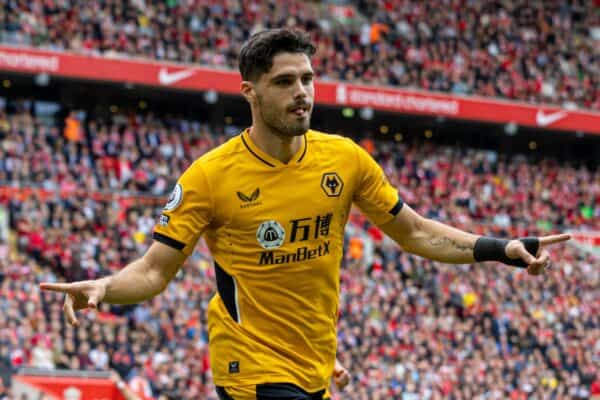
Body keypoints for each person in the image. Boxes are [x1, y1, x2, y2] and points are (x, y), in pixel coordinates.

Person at [40, 28, 570, 400]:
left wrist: (500, 249)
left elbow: (413, 232)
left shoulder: (344, 158)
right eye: (285, 81)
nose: (302, 93)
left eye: (307, 79)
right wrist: (106, 286)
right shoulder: (209, 176)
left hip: (314, 360)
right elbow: (155, 271)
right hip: (249, 365)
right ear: (249, 91)